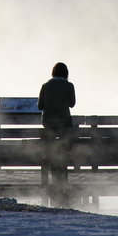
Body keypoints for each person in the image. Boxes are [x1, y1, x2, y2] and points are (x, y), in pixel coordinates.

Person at [37, 62, 76, 196]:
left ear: (52, 73)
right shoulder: (69, 86)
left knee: (52, 149)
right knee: (63, 149)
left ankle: (54, 173)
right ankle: (63, 175)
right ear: (66, 73)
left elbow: (40, 106)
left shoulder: (45, 86)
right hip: (64, 124)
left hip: (49, 124)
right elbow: (72, 104)